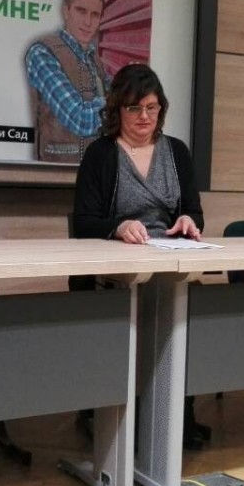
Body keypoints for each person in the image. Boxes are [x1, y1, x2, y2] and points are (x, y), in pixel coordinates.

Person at [71, 63, 209, 447]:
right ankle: (113, 415)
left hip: (169, 261)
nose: (144, 116)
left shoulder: (176, 151)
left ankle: (176, 413)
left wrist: (188, 219)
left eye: (152, 107)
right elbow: (84, 221)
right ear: (118, 109)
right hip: (117, 270)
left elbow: (195, 212)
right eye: (134, 108)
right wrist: (117, 226)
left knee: (190, 318)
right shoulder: (101, 153)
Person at [25, 0, 111, 164]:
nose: (88, 22)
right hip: (56, 173)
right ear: (66, 11)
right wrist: (123, 101)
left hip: (93, 171)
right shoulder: (42, 52)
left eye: (95, 15)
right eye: (81, 11)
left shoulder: (95, 59)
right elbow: (78, 118)